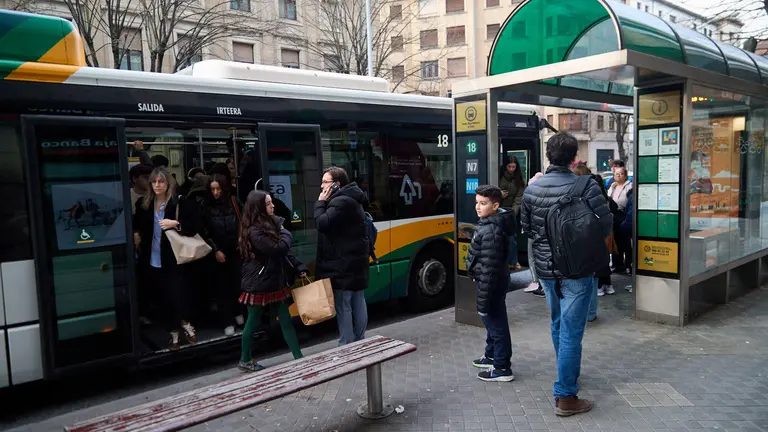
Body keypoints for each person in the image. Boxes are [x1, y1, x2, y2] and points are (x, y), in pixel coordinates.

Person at [521, 132, 612, 416]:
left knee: (557, 322)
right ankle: (566, 396)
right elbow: (605, 224)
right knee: (572, 332)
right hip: (577, 268)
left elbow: (527, 229)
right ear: (574, 159)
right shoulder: (587, 185)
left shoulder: (532, 189)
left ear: (548, 156)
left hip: (546, 269)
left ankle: (567, 373)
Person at [238, 190, 307, 372]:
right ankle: (245, 359)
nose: (273, 206)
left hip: (274, 279)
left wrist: (299, 266)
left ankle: (299, 357)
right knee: (253, 321)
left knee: (285, 319)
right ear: (259, 207)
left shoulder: (270, 223)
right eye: (268, 203)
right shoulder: (255, 230)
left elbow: (284, 253)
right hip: (259, 281)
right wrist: (284, 231)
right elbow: (278, 248)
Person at [133, 167, 199, 351]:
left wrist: (176, 224)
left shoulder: (179, 202)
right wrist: (136, 233)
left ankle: (186, 323)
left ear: (168, 183)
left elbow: (194, 226)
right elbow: (137, 223)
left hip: (174, 258)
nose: (157, 185)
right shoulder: (144, 204)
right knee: (163, 298)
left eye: (161, 181)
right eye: (154, 182)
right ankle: (174, 333)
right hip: (152, 258)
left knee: (178, 294)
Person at [314, 166, 370, 345]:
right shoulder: (353, 198)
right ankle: (359, 339)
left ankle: (347, 343)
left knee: (344, 304)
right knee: (358, 300)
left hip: (343, 264)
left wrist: (320, 203)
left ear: (336, 185)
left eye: (325, 182)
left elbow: (322, 223)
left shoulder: (340, 202)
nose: (322, 186)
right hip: (355, 262)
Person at [468, 185, 516, 382]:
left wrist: (482, 302)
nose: (478, 207)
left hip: (492, 284)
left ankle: (502, 368)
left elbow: (489, 269)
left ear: (495, 206)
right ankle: (491, 356)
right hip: (495, 281)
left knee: (496, 325)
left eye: (483, 203)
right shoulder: (491, 223)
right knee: (493, 323)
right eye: (477, 203)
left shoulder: (491, 231)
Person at [202, 174, 244, 335]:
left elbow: (243, 222)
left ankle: (238, 313)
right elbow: (204, 231)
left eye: (218, 189)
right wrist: (215, 250)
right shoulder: (205, 206)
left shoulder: (234, 202)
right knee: (222, 288)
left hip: (236, 249)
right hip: (217, 252)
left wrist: (241, 241)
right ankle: (227, 320)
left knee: (237, 283)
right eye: (212, 189)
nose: (215, 193)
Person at [571, 164, 612, 322]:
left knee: (584, 277)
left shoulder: (574, 189)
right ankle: (590, 312)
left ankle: (586, 312)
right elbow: (605, 217)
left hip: (580, 239)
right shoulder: (593, 187)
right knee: (592, 277)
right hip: (593, 238)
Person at [499, 156, 525, 271]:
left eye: (514, 167)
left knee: (512, 237)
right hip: (497, 209)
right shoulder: (498, 175)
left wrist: (512, 213)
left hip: (511, 211)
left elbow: (518, 199)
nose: (511, 169)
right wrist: (499, 194)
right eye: (509, 166)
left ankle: (513, 261)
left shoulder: (518, 179)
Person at [608, 166, 633, 274]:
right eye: (616, 174)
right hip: (613, 215)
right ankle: (617, 264)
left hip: (623, 214)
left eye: (621, 173)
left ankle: (628, 264)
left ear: (625, 175)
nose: (618, 175)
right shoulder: (613, 186)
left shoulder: (629, 186)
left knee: (625, 241)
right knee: (616, 241)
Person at [523, 172, 544, 296]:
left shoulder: (529, 196)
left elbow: (525, 216)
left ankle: (537, 282)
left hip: (534, 230)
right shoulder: (549, 195)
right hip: (545, 231)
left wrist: (527, 230)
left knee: (532, 256)